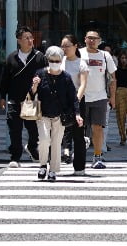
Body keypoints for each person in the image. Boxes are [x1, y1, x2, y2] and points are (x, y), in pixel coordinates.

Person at [30, 46, 81, 181]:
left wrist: (77, 114)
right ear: (47, 60)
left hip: (60, 115)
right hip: (43, 114)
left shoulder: (66, 77)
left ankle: (53, 169)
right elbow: (31, 94)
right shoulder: (39, 74)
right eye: (52, 60)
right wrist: (34, 86)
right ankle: (42, 165)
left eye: (57, 60)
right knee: (44, 140)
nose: (55, 63)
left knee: (57, 143)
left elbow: (73, 97)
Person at [0, 26, 47, 168]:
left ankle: (32, 147)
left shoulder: (39, 57)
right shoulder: (11, 58)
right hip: (14, 99)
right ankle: (15, 157)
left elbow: (46, 77)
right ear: (19, 40)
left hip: (32, 100)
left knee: (33, 130)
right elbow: (5, 79)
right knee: (14, 129)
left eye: (31, 37)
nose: (30, 40)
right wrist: (3, 96)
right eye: (26, 38)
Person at [79, 30, 117, 169]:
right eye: (89, 38)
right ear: (85, 39)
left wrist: (112, 97)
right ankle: (79, 154)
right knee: (79, 129)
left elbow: (113, 78)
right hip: (81, 97)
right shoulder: (78, 53)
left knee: (98, 128)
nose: (92, 41)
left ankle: (97, 156)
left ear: (100, 40)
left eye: (95, 38)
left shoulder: (105, 56)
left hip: (100, 97)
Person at [60, 34, 89, 175]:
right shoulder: (59, 62)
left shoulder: (81, 63)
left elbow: (83, 84)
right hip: (60, 101)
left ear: (75, 46)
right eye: (62, 46)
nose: (64, 49)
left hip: (77, 100)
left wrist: (76, 100)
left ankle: (79, 167)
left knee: (78, 135)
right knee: (57, 132)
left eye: (67, 46)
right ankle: (53, 164)